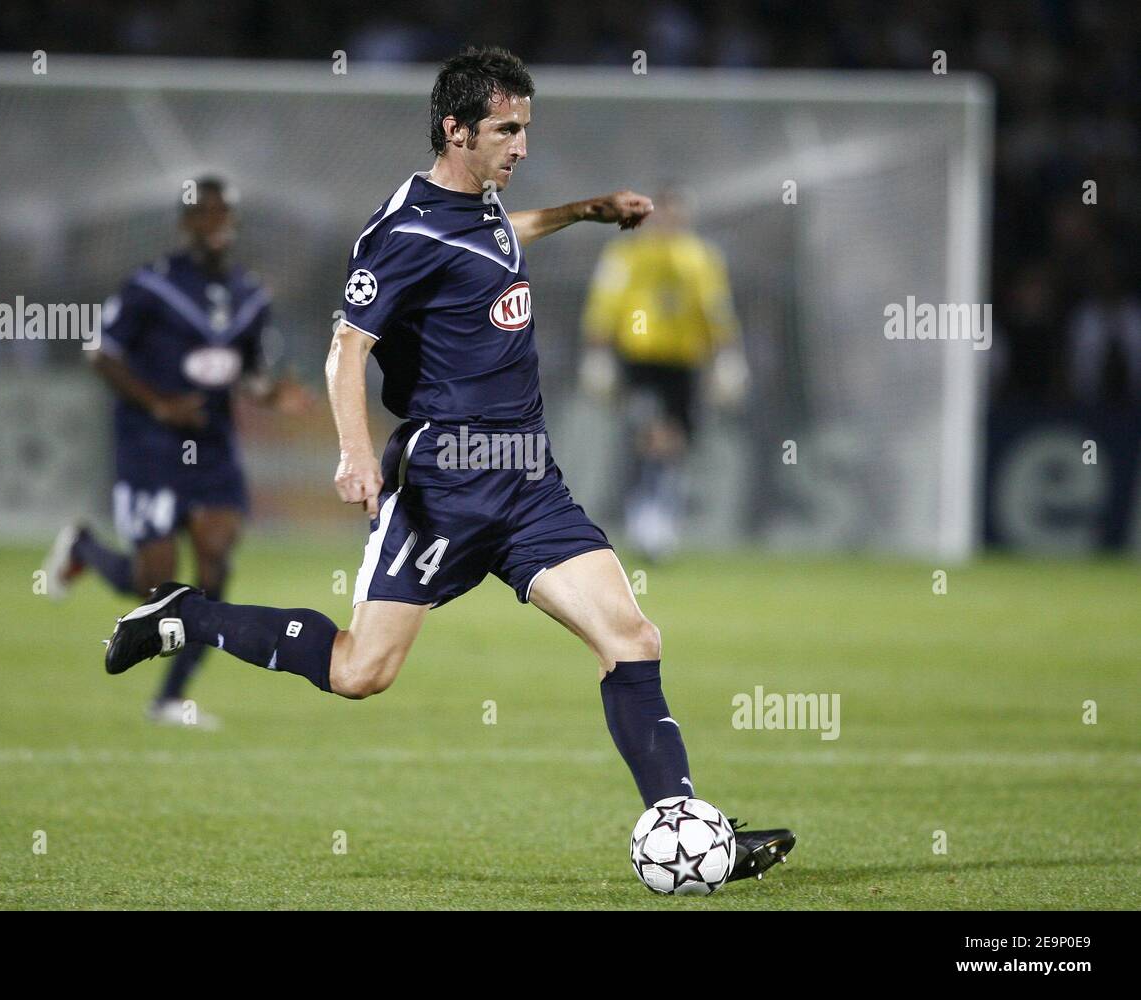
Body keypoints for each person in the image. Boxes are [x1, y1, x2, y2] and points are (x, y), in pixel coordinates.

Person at [101, 48, 794, 882]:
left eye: (526, 128)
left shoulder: (480, 203)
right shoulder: (407, 231)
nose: (522, 145)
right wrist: (356, 455)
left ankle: (688, 830)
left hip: (529, 482)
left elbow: (503, 232)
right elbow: (344, 350)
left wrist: (586, 210)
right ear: (456, 130)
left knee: (633, 637)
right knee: (362, 672)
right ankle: (190, 614)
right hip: (445, 484)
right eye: (507, 129)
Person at [43, 176, 311, 727]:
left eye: (224, 213)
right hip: (152, 445)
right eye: (205, 213)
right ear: (186, 222)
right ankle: (84, 548)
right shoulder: (150, 285)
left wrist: (270, 394)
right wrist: (160, 404)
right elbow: (101, 352)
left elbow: (249, 372)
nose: (216, 223)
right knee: (154, 584)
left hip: (212, 447)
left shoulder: (248, 294)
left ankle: (170, 697)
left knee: (215, 560)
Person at [580, 183, 745, 560]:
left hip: (683, 360)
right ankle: (646, 517)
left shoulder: (701, 258)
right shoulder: (627, 254)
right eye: (663, 213)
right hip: (639, 358)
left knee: (675, 441)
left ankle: (660, 513)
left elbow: (716, 309)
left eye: (677, 213)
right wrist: (597, 355)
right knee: (650, 433)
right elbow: (604, 304)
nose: (670, 220)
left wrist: (728, 357)